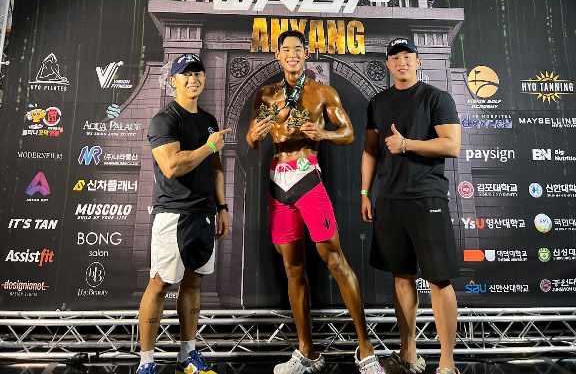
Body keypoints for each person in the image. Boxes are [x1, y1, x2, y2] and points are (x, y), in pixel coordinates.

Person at [247, 30, 383, 374]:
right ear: (278, 55)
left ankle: (366, 351)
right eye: (286, 49)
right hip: (278, 183)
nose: (292, 54)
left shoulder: (322, 93)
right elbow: (252, 138)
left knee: (334, 260)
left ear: (306, 54)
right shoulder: (265, 94)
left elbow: (349, 133)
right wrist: (252, 136)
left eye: (298, 49)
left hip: (307, 176)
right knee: (293, 269)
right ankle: (307, 353)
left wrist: (323, 133)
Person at [361, 38, 461, 374]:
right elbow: (371, 150)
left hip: (426, 196)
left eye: (408, 56)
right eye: (395, 58)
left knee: (438, 279)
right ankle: (408, 355)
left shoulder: (436, 97)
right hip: (389, 200)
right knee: (401, 278)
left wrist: (407, 144)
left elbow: (452, 145)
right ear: (387, 64)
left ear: (418, 61)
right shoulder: (377, 102)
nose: (401, 62)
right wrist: (365, 192)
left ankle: (447, 363)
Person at [136, 53, 231, 374]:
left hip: (204, 213)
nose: (193, 79)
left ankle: (187, 355)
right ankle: (146, 363)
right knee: (160, 284)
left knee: (193, 283)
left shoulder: (209, 120)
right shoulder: (165, 120)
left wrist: (222, 207)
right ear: (173, 80)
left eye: (198, 73)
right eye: (186, 74)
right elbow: (172, 166)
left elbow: (216, 169)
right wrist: (209, 146)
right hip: (174, 214)